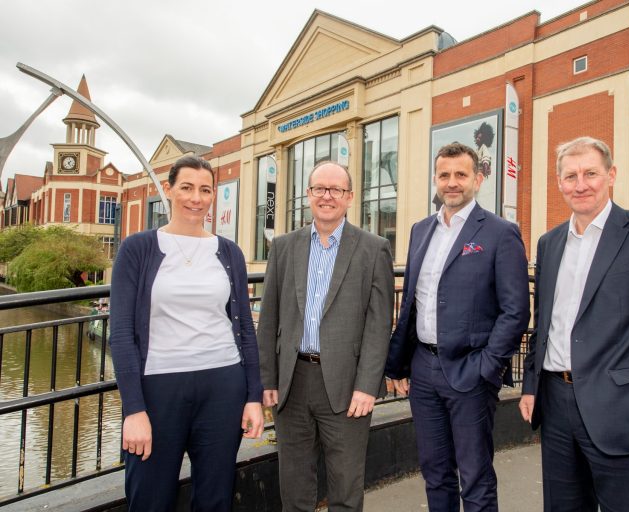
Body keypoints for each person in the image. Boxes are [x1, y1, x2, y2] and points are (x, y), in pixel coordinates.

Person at [519, 136, 629, 511]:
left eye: (590, 173)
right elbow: (544, 324)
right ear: (559, 183)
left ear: (611, 175)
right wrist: (531, 385)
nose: (580, 184)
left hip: (621, 410)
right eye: (570, 176)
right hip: (556, 406)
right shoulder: (549, 244)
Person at [109, 155, 264, 511]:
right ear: (169, 190)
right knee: (149, 497)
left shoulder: (229, 253)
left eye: (205, 190)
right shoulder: (138, 249)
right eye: (187, 187)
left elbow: (243, 328)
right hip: (159, 387)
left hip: (223, 385)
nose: (196, 197)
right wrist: (133, 409)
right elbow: (121, 334)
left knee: (215, 497)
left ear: (213, 196)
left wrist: (253, 395)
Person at [386, 142, 530, 512]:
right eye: (444, 175)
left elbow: (515, 311)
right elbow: (413, 305)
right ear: (436, 179)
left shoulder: (500, 232)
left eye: (461, 175)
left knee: (476, 478)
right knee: (435, 473)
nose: (452, 183)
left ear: (478, 179)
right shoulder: (421, 230)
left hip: (470, 372)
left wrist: (488, 367)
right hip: (423, 370)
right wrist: (400, 363)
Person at [257, 161, 394, 512]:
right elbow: (269, 317)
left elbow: (379, 326)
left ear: (349, 197)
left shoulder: (373, 248)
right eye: (319, 188)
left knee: (346, 491)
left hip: (347, 387)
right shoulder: (284, 247)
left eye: (335, 190)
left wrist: (367, 385)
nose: (327, 196)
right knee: (295, 490)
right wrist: (267, 378)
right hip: (292, 382)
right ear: (308, 195)